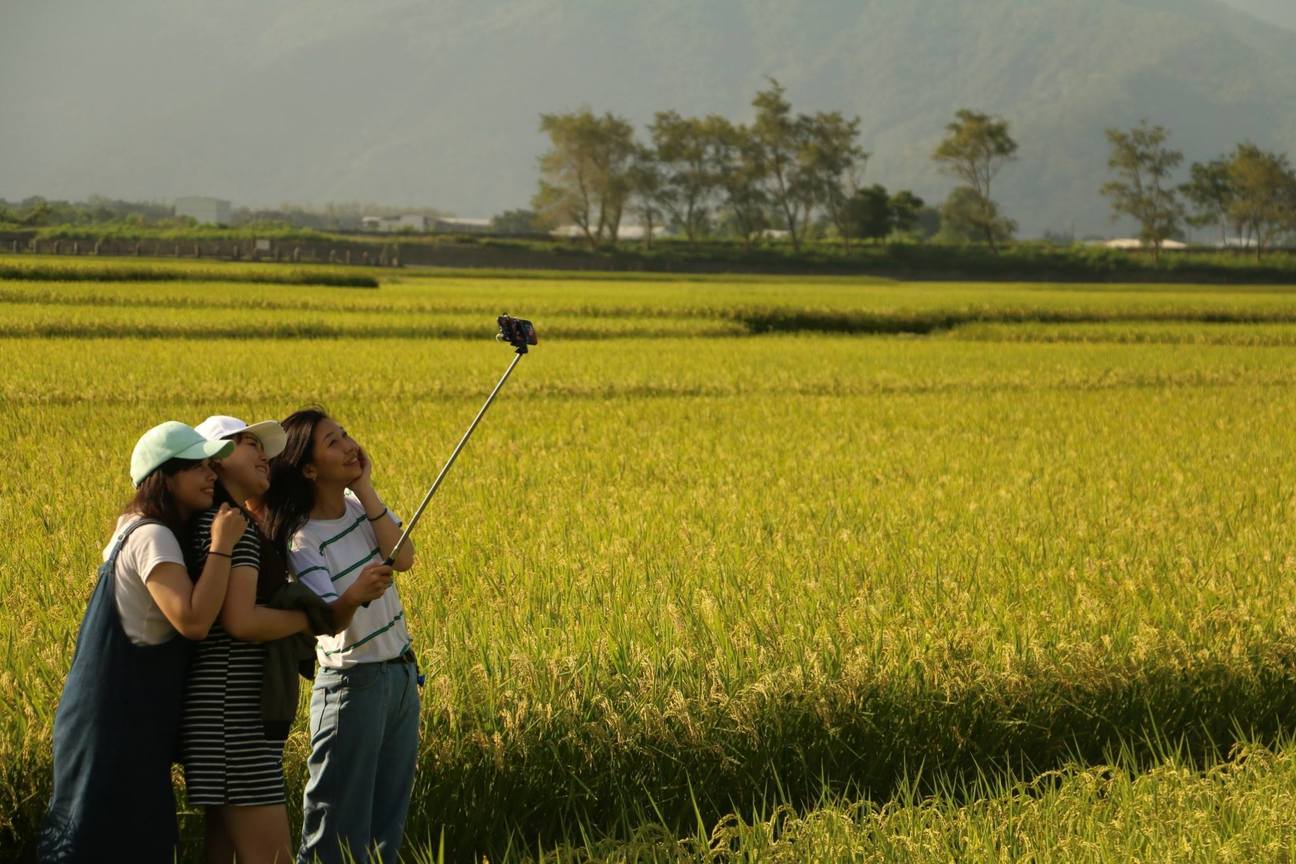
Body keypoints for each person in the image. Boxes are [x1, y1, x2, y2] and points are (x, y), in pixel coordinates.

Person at [180, 416, 390, 864]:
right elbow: (242, 621)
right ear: (213, 460)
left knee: (223, 850)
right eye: (248, 444)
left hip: (223, 713)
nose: (263, 455)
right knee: (272, 856)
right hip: (233, 716)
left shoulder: (222, 523)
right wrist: (306, 619)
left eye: (263, 447)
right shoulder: (230, 529)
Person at [39, 421, 245, 863]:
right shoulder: (152, 534)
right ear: (164, 476)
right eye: (197, 467)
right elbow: (192, 619)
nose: (211, 475)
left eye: (212, 466)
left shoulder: (129, 528)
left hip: (116, 719)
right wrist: (223, 545)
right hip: (114, 724)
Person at [263, 408, 418, 864]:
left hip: (400, 675)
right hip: (353, 685)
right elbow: (329, 618)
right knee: (335, 830)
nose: (350, 445)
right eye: (334, 442)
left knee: (385, 827)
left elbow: (403, 556)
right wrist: (355, 594)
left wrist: (365, 487)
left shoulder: (357, 508)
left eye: (346, 434)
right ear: (309, 469)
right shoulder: (301, 539)